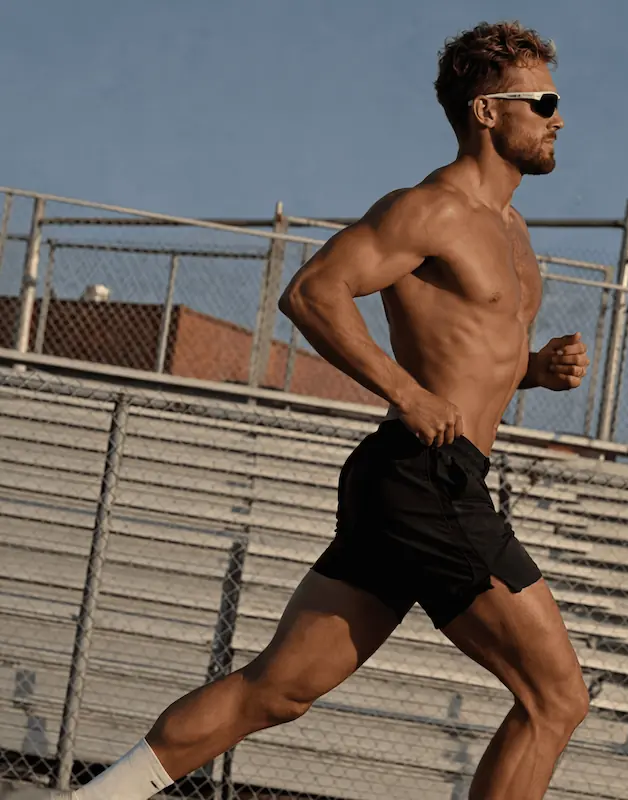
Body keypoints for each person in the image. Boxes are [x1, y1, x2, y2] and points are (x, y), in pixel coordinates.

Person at [47, 20, 591, 800]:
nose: (558, 117)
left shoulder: (514, 233)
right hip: (426, 479)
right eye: (543, 100)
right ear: (486, 111)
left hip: (422, 480)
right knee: (556, 698)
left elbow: (470, 360)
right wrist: (404, 392)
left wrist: (533, 372)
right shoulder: (429, 209)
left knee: (280, 690)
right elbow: (311, 292)